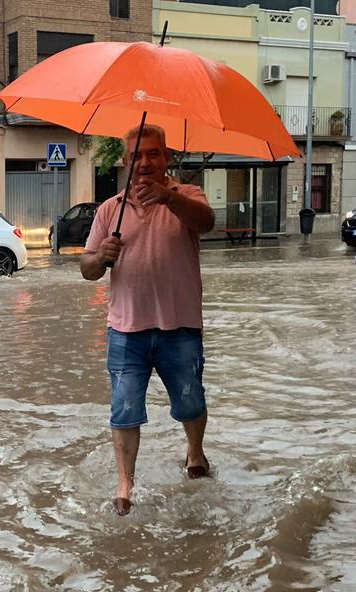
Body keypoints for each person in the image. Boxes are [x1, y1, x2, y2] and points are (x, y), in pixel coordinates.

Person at [80, 123, 216, 517]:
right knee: (123, 410)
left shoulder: (188, 196)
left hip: (181, 326)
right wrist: (101, 256)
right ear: (125, 162)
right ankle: (125, 486)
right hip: (126, 330)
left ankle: (194, 454)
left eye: (153, 153)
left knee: (191, 401)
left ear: (166, 157)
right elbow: (87, 269)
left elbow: (206, 222)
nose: (145, 162)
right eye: (137, 155)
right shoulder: (110, 210)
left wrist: (168, 199)